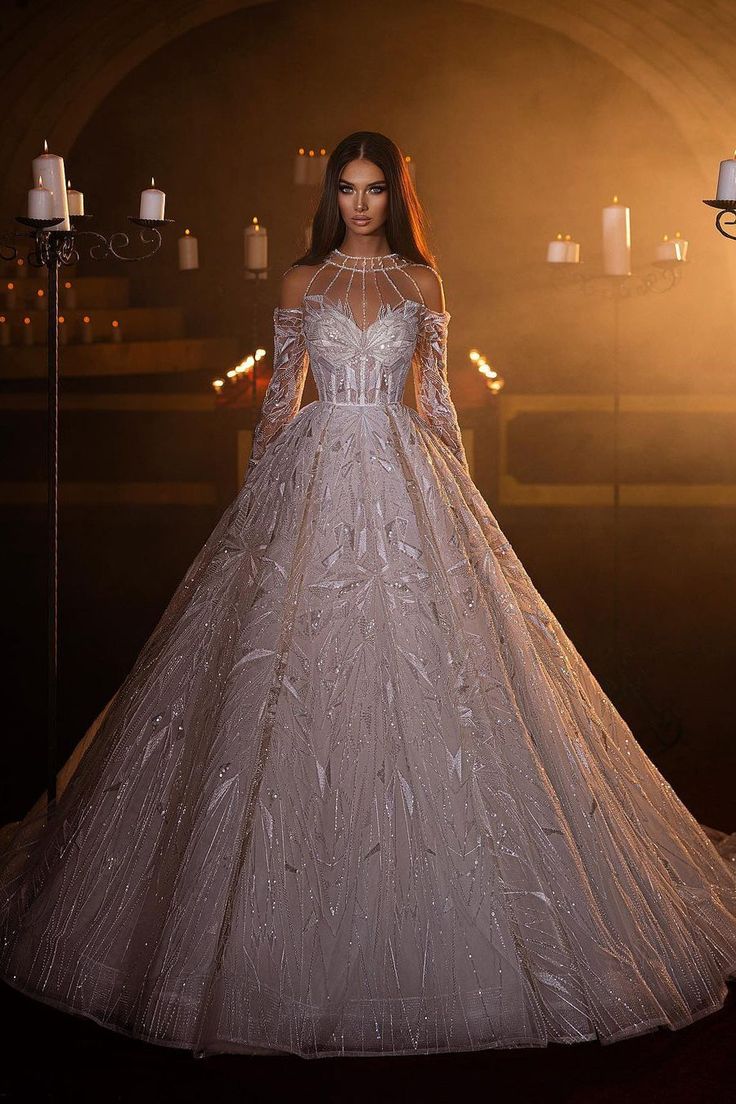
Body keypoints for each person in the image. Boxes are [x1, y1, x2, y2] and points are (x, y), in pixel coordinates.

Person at [1, 131, 735, 1061]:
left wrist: (462, 500)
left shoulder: (422, 287)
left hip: (405, 471)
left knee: (437, 684)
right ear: (330, 195)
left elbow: (435, 402)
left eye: (375, 188)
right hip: (312, 470)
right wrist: (258, 512)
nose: (359, 203)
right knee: (285, 687)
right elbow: (279, 399)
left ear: (397, 195)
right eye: (346, 189)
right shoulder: (299, 285)